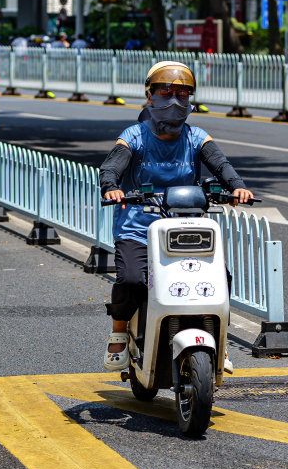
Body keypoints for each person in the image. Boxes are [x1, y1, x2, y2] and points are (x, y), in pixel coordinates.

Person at [98, 60, 253, 372]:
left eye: (182, 94)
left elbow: (220, 164)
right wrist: (110, 187)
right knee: (131, 280)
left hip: (187, 227)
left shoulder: (197, 137)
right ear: (149, 95)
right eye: (165, 91)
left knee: (219, 278)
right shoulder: (134, 135)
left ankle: (218, 340)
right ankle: (118, 332)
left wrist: (237, 187)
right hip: (138, 227)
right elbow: (112, 165)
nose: (173, 100)